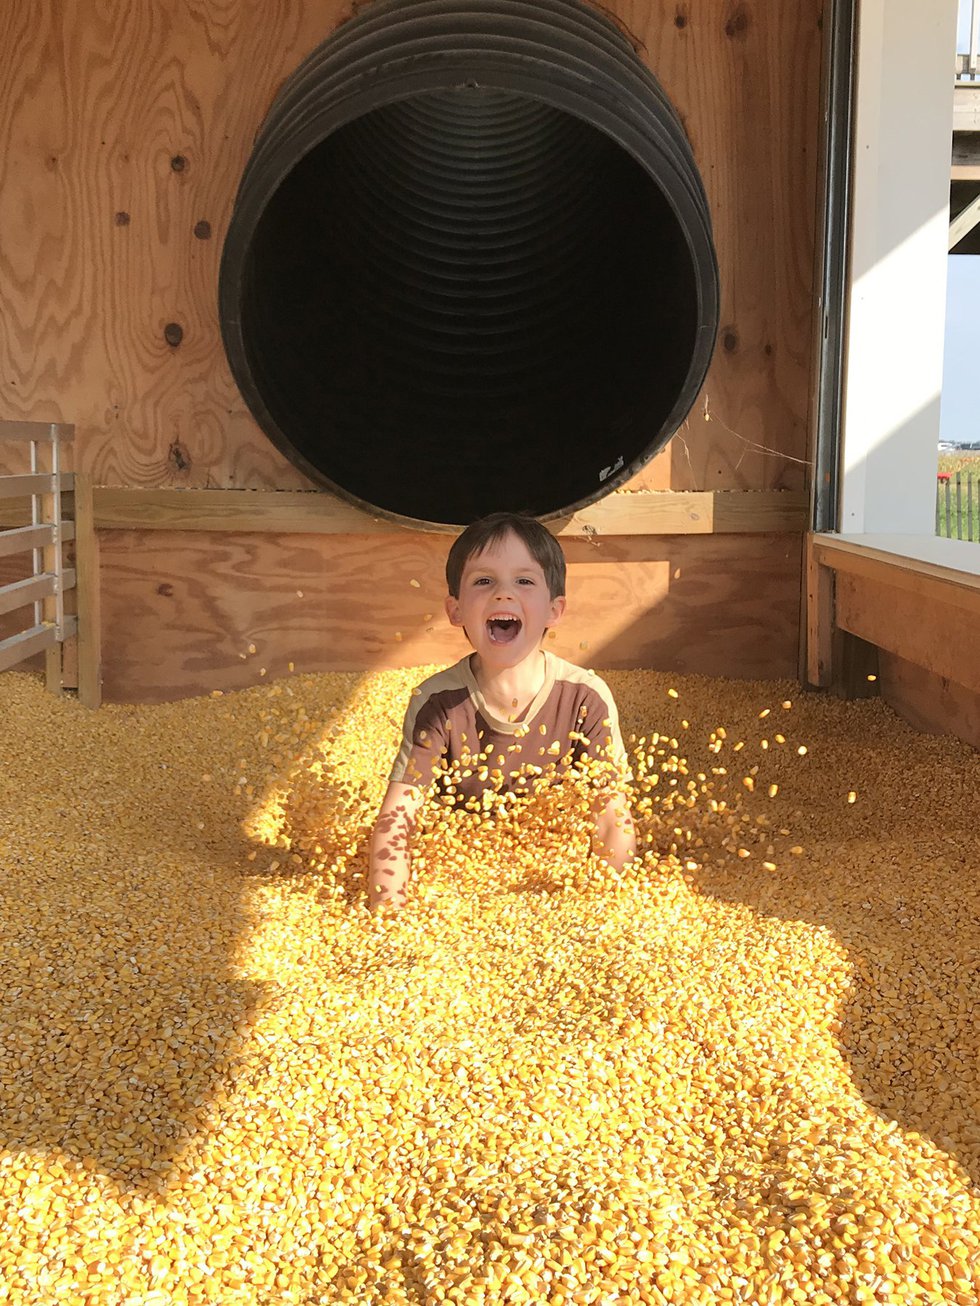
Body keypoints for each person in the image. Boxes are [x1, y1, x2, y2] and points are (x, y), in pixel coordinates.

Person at [368, 512, 636, 910]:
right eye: (483, 581)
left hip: (555, 884)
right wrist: (387, 911)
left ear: (554, 610)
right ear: (455, 610)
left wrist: (608, 905)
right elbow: (397, 820)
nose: (502, 595)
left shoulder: (585, 697)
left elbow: (612, 813)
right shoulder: (437, 701)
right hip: (459, 888)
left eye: (524, 581)